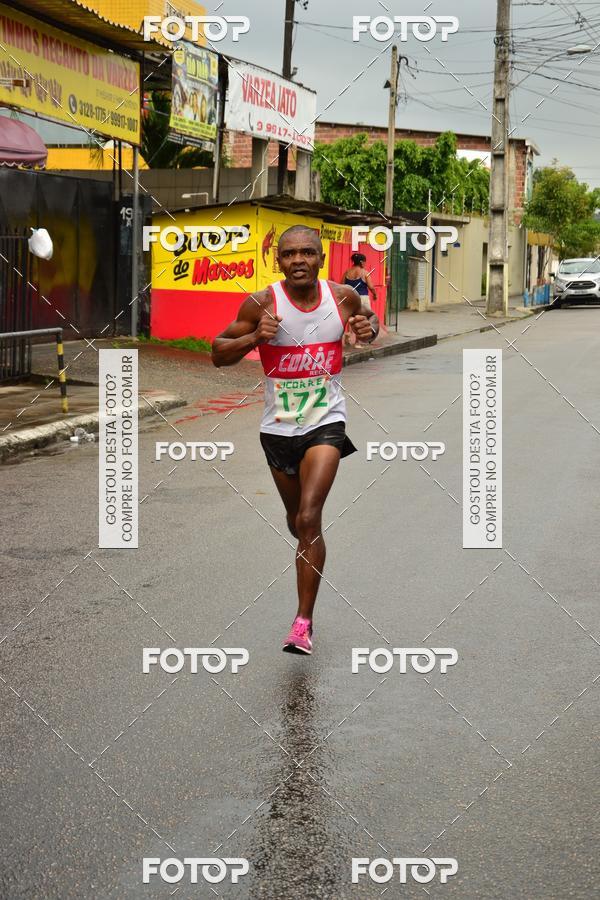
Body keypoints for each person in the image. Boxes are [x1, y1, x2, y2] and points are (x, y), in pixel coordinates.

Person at [211, 225, 379, 655]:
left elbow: (367, 324)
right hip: (278, 428)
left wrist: (367, 329)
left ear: (321, 258)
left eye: (307, 252)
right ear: (279, 261)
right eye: (289, 254)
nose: (298, 260)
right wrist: (254, 337)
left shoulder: (343, 297)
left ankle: (302, 624)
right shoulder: (262, 303)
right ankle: (309, 544)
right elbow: (217, 352)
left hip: (327, 422)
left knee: (308, 518)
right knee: (297, 523)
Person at [343, 253, 378, 348]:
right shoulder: (364, 273)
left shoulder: (347, 272)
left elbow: (342, 285)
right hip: (362, 298)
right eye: (364, 262)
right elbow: (371, 287)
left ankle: (347, 335)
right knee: (362, 319)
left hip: (350, 298)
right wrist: (375, 294)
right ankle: (357, 342)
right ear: (362, 262)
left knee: (350, 318)